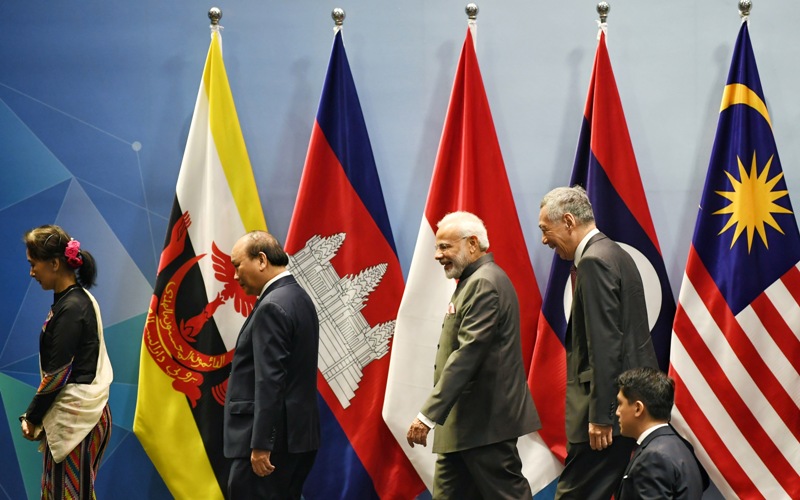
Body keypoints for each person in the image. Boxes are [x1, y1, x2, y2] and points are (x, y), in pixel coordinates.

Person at [406, 211, 540, 499]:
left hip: (485, 425)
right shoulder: (473, 281)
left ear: (472, 243)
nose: (438, 255)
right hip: (465, 426)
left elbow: (467, 355)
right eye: (437, 247)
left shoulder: (483, 283)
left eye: (445, 247)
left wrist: (428, 415)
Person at [538, 186, 658, 499]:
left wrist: (602, 416)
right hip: (626, 409)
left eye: (545, 229)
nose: (544, 240)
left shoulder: (593, 262)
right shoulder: (616, 254)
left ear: (568, 221)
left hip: (606, 421)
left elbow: (605, 346)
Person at [223, 231, 320, 499]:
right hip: (297, 439)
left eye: (237, 265)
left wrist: (262, 443)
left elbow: (270, 381)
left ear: (262, 260)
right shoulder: (299, 298)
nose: (235, 276)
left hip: (270, 446)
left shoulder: (272, 306)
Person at [20, 224, 113, 498]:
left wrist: (32, 417)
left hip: (79, 421)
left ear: (54, 263)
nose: (31, 272)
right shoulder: (71, 302)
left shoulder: (73, 306)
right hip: (77, 418)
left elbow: (59, 373)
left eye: (33, 264)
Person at [615, 367, 708, 499]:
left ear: (638, 408)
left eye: (620, 404)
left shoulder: (653, 458)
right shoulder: (683, 446)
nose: (617, 412)